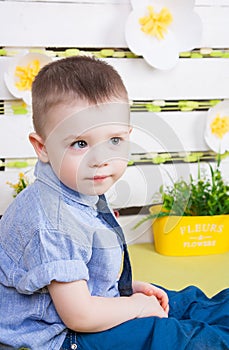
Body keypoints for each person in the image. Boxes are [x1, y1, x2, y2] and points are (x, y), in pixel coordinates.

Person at [0, 56, 228, 350]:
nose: (101, 159)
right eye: (80, 144)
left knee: (189, 301)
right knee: (176, 338)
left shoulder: (77, 187)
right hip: (60, 338)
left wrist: (126, 291)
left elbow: (79, 275)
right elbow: (79, 315)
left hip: (82, 307)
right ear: (43, 147)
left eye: (115, 140)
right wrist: (135, 307)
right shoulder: (51, 221)